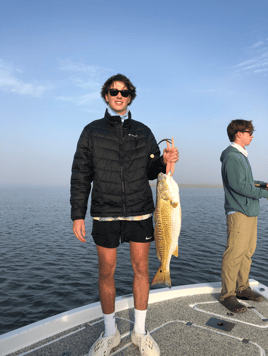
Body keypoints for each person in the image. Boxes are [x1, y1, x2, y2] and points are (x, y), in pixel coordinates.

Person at [70, 74, 179, 356]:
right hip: (105, 213)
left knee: (141, 270)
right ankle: (110, 333)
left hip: (141, 211)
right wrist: (77, 215)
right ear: (105, 95)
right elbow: (81, 175)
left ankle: (139, 332)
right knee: (106, 272)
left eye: (125, 91)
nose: (119, 95)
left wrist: (166, 163)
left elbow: (153, 172)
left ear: (131, 96)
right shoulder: (91, 131)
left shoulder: (143, 131)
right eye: (113, 91)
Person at [219, 119, 268, 313]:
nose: (252, 135)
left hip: (249, 211)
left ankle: (242, 288)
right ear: (239, 133)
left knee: (247, 252)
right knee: (234, 253)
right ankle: (227, 295)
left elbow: (247, 181)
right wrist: (265, 193)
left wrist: (263, 184)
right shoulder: (232, 156)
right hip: (239, 211)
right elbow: (238, 186)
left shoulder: (241, 155)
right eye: (249, 132)